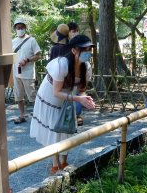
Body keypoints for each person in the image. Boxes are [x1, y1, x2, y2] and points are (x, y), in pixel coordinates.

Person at [30, 34, 96, 173]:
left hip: (69, 97)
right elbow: (56, 92)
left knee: (67, 127)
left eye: (89, 49)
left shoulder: (86, 67)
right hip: (51, 97)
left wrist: (86, 99)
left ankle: (64, 162)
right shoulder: (61, 64)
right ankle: (55, 163)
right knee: (54, 128)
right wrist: (78, 99)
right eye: (83, 49)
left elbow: (82, 90)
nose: (87, 53)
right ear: (74, 50)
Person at [49, 23, 84, 126]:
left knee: (66, 95)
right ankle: (75, 115)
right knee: (74, 93)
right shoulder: (71, 47)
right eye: (73, 31)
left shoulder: (56, 48)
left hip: (60, 76)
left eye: (76, 30)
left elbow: (51, 65)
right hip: (70, 76)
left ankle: (71, 115)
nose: (76, 33)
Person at [12, 17, 41, 124]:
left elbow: (38, 56)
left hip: (28, 73)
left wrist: (27, 60)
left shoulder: (32, 40)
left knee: (32, 95)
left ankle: (39, 115)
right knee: (18, 96)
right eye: (18, 27)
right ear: (15, 29)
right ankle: (21, 115)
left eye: (21, 27)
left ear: (25, 27)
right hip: (16, 73)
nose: (20, 29)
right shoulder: (13, 41)